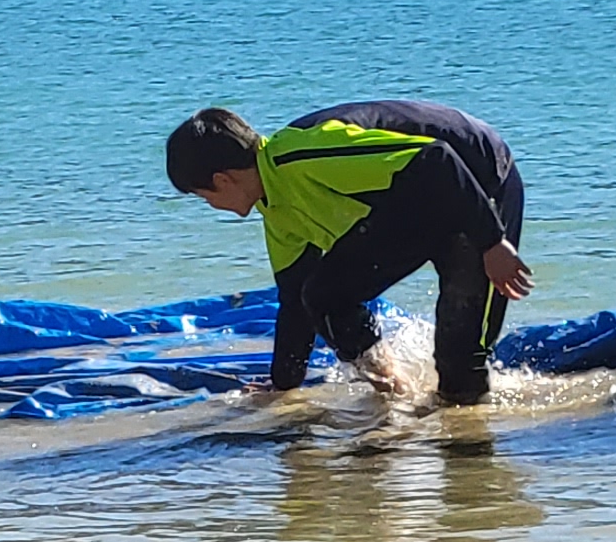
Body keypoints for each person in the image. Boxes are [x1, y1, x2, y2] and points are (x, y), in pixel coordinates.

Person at [165, 100, 535, 407]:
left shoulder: (304, 156)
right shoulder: (275, 206)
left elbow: (437, 159)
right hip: (413, 203)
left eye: (204, 197)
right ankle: (395, 389)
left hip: (476, 181)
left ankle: (471, 446)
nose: (211, 205)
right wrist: (283, 384)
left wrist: (492, 242)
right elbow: (296, 299)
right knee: (322, 294)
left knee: (461, 370)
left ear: (222, 180)